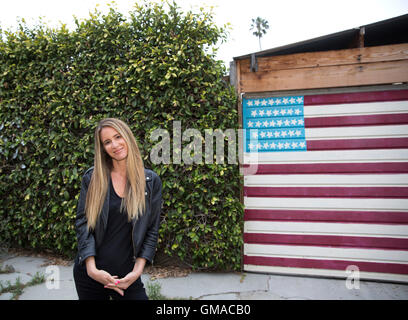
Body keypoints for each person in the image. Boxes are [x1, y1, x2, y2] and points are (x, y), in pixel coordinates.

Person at [73, 117, 162, 300]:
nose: (114, 144)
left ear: (127, 137)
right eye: (107, 142)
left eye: (118, 137)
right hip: (91, 275)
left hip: (127, 276)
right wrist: (92, 269)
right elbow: (83, 223)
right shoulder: (93, 179)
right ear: (103, 149)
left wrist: (136, 272)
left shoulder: (150, 182)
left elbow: (152, 230)